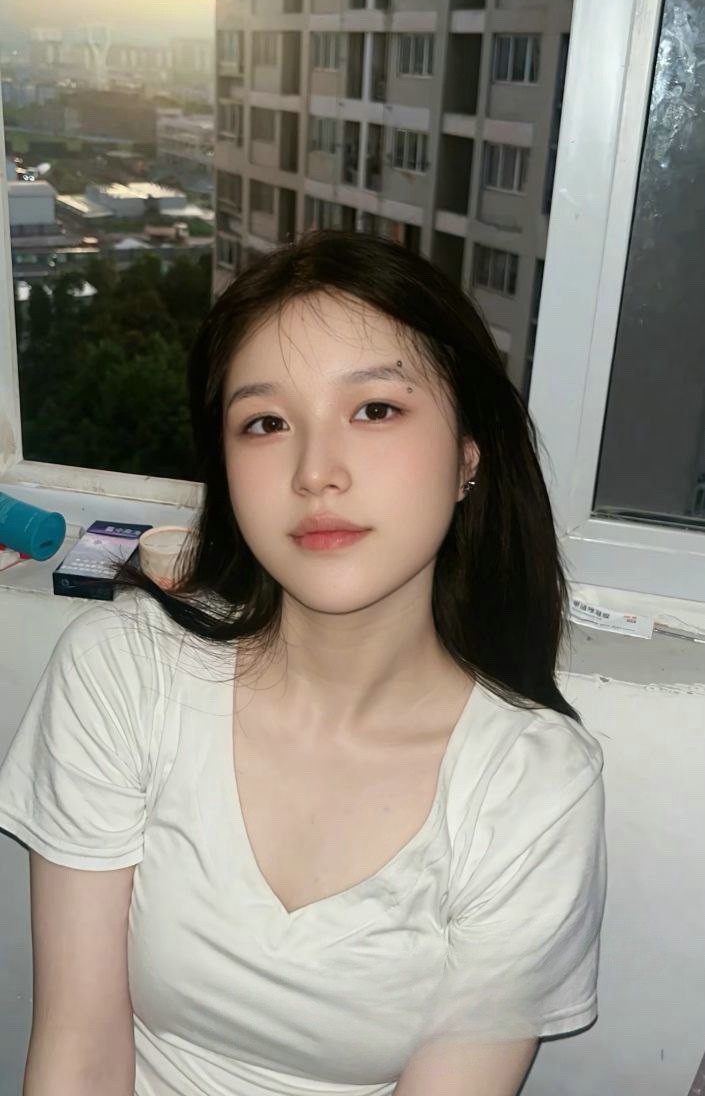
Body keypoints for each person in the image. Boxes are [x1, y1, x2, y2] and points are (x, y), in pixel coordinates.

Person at [0, 230, 607, 1096]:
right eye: (266, 423)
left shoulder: (531, 787)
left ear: (467, 457)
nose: (315, 472)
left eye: (375, 409)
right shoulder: (125, 672)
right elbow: (78, 1051)